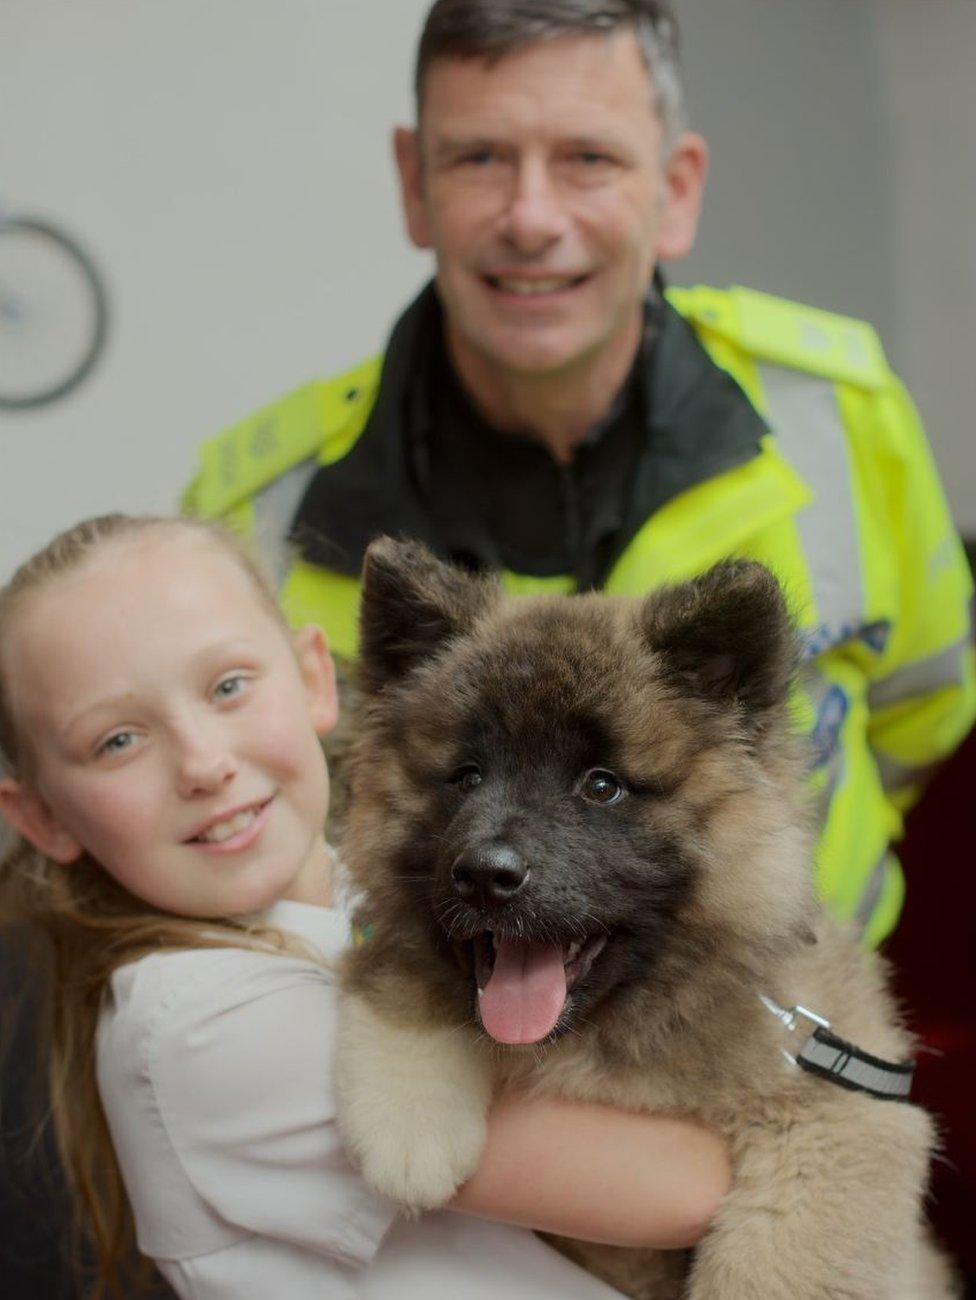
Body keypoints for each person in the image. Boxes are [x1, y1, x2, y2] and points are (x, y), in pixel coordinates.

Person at [184, 0, 976, 949]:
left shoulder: (839, 415)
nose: (531, 218)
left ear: (676, 188)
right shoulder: (255, 510)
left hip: (795, 1046)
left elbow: (920, 724)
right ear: (414, 183)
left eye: (587, 159)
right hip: (420, 1072)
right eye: (479, 158)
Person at [0, 513, 730, 1300]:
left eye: (228, 687)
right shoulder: (198, 1026)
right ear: (42, 817)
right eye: (118, 741)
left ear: (317, 676)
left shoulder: (379, 903)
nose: (204, 764)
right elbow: (685, 1189)